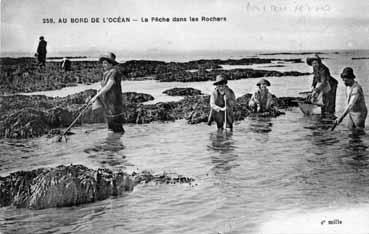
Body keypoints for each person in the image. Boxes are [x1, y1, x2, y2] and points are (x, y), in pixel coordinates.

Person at [88, 52, 125, 133]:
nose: (103, 65)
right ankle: (113, 143)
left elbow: (108, 86)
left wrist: (96, 96)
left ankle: (117, 144)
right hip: (108, 103)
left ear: (111, 64)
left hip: (114, 103)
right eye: (103, 63)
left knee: (117, 127)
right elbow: (102, 87)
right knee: (111, 128)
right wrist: (96, 96)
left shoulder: (114, 72)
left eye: (105, 63)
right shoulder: (106, 73)